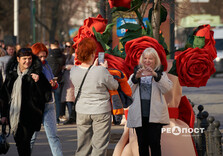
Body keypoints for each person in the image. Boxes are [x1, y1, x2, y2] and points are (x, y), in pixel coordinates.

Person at [70, 37, 119, 156]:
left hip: (82, 110)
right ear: (92, 53)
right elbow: (114, 85)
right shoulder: (101, 71)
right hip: (100, 110)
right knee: (99, 146)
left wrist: (95, 67)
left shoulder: (73, 70)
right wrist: (104, 69)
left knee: (83, 145)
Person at [0, 48, 52, 156]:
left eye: (29, 59)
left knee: (25, 142)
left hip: (31, 116)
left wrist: (38, 82)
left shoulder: (37, 75)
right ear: (18, 59)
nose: (27, 61)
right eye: (24, 59)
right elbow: (4, 97)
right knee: (20, 143)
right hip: (14, 116)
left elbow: (47, 96)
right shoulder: (12, 76)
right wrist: (3, 115)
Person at [127, 47, 173, 156]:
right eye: (145, 58)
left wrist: (155, 75)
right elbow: (128, 91)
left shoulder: (161, 75)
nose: (147, 61)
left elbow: (167, 89)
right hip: (139, 115)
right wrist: (135, 78)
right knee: (142, 145)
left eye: (150, 59)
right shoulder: (135, 74)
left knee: (155, 143)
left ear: (155, 61)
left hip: (155, 116)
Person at [30, 42, 63, 156]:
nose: (43, 58)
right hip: (35, 105)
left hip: (49, 102)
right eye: (40, 56)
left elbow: (54, 85)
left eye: (44, 56)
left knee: (53, 136)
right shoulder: (31, 67)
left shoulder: (47, 65)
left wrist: (54, 84)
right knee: (31, 137)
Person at [47, 40, 66, 124]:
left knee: (48, 100)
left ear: (51, 45)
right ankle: (57, 118)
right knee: (58, 100)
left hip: (49, 79)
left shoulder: (49, 55)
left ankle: (47, 118)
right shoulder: (62, 56)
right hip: (59, 78)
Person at [60, 41, 75, 123]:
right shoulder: (65, 55)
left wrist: (66, 67)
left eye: (69, 46)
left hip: (70, 78)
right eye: (66, 46)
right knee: (65, 98)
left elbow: (76, 65)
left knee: (70, 98)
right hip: (64, 78)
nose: (67, 48)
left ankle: (71, 117)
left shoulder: (73, 55)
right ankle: (68, 116)